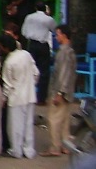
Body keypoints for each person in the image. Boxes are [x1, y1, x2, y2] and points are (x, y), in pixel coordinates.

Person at [39, 24, 77, 157]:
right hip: (68, 93)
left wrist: (60, 93)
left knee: (53, 120)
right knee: (64, 121)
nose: (56, 37)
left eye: (58, 34)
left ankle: (55, 147)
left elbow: (63, 75)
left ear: (64, 36)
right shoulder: (69, 51)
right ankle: (64, 146)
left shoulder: (63, 53)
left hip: (59, 92)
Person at [1, 33, 39, 159]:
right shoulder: (26, 54)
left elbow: (7, 84)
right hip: (30, 94)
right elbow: (36, 73)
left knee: (15, 126)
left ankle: (16, 150)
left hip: (16, 97)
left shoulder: (9, 62)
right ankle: (28, 150)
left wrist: (4, 98)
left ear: (5, 48)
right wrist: (30, 84)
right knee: (28, 124)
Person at [21, 0, 56, 104]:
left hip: (32, 45)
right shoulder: (49, 19)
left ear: (36, 8)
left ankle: (28, 96)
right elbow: (54, 30)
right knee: (44, 71)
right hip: (43, 45)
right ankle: (41, 98)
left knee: (30, 69)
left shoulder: (29, 17)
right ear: (45, 9)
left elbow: (24, 32)